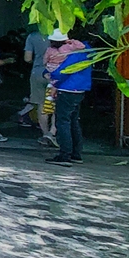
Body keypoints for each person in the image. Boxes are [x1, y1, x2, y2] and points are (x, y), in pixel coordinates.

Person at [44, 31, 90, 167]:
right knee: (73, 121)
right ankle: (76, 154)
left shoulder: (72, 53)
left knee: (62, 122)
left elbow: (64, 71)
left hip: (67, 89)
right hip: (80, 89)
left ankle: (65, 155)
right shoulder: (85, 50)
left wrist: (50, 77)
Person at [20, 26, 54, 144]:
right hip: (55, 73)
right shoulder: (60, 33)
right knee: (56, 104)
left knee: (41, 104)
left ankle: (44, 133)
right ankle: (52, 132)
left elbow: (27, 58)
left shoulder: (32, 36)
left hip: (38, 72)